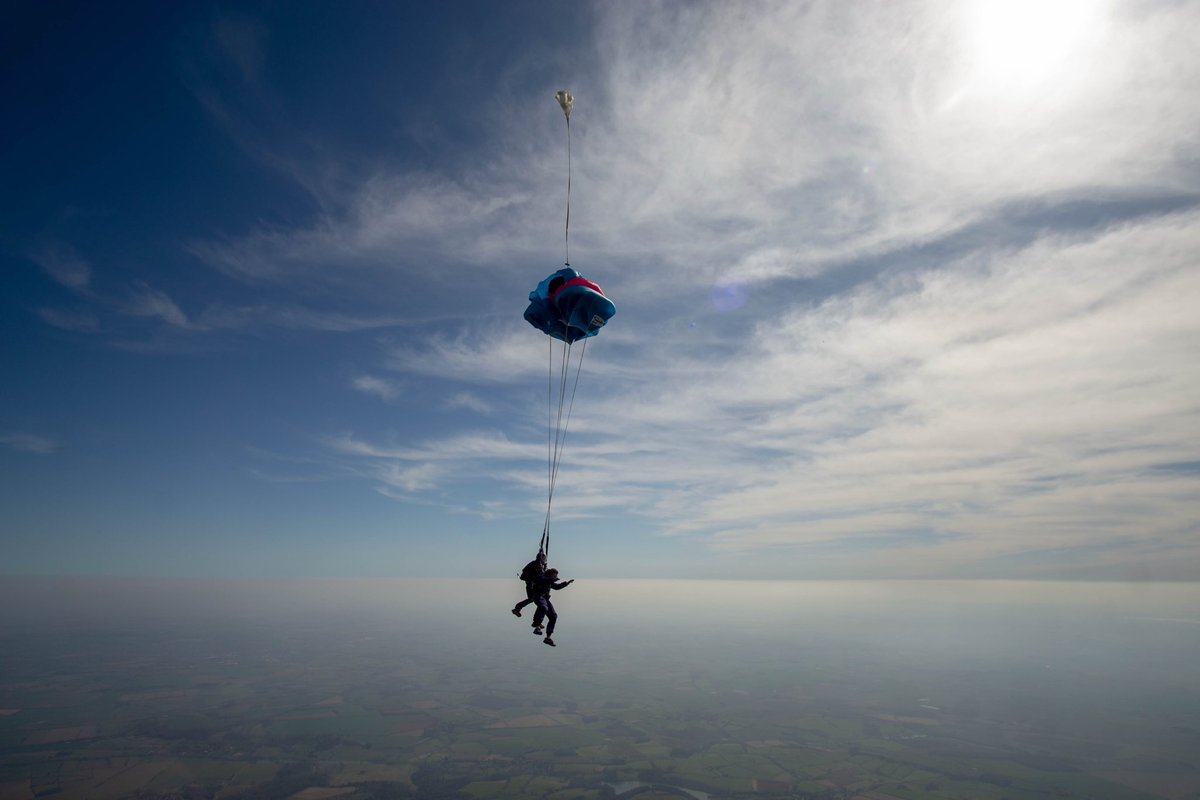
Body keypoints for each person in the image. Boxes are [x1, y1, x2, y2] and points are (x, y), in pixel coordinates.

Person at [531, 567, 574, 647]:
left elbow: (556, 587)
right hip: (538, 596)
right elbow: (544, 580)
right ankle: (537, 625)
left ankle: (548, 637)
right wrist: (552, 579)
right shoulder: (542, 577)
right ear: (550, 574)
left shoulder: (549, 581)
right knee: (543, 607)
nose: (554, 577)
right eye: (554, 575)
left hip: (545, 599)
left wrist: (566, 583)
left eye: (555, 576)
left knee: (553, 616)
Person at [511, 551, 547, 618]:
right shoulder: (536, 564)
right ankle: (518, 608)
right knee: (534, 599)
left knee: (534, 599)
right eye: (544, 558)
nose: (545, 560)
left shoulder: (538, 565)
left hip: (532, 584)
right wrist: (541, 552)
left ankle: (518, 609)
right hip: (531, 585)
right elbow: (538, 574)